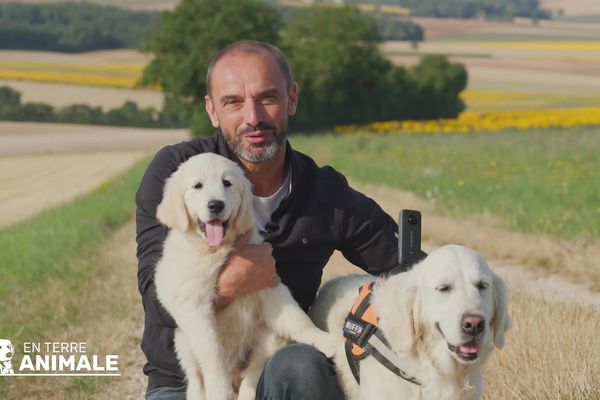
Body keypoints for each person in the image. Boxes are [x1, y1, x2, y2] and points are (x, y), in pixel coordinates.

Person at [136, 40, 404, 400]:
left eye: (268, 98)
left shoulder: (324, 192)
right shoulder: (177, 172)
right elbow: (158, 300)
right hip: (185, 382)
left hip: (274, 367)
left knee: (303, 365)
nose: (253, 117)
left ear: (291, 99)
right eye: (233, 102)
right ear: (212, 110)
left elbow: (405, 264)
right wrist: (235, 282)